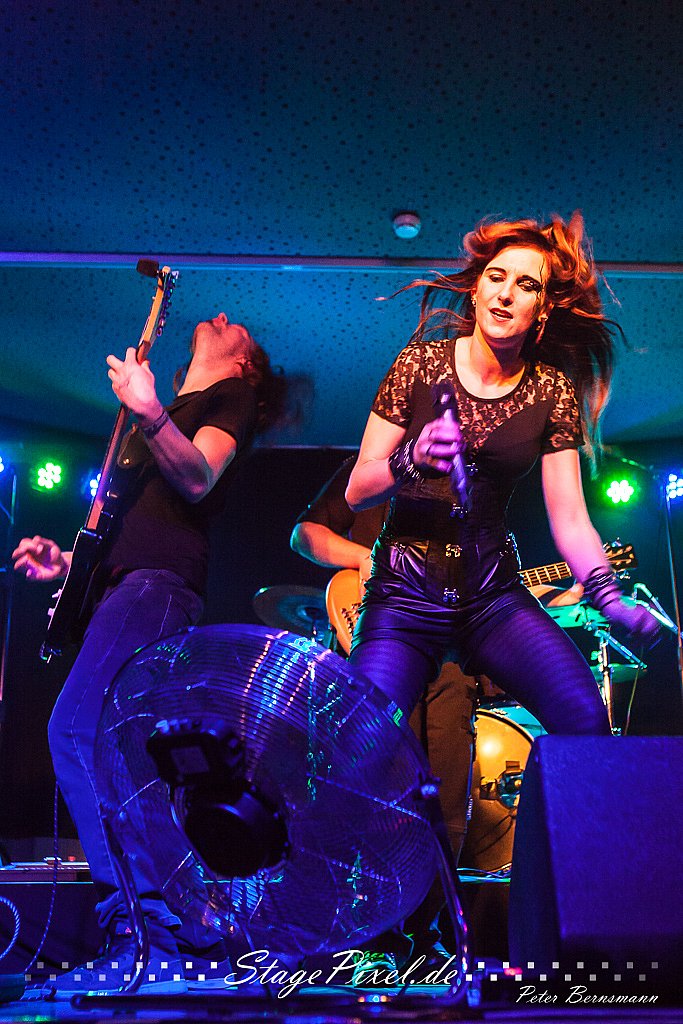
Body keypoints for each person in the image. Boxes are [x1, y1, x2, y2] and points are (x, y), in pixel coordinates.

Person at [13, 312, 286, 999]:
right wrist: (67, 563)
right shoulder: (163, 419)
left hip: (157, 588)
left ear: (245, 364)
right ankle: (184, 938)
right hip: (129, 587)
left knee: (77, 731)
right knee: (127, 761)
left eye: (238, 327)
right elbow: (138, 528)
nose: (222, 317)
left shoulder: (230, 398)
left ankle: (143, 936)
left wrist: (149, 409)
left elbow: (198, 479)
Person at [345, 213, 660, 761]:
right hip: (403, 596)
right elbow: (357, 490)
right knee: (359, 740)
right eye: (496, 276)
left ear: (542, 310)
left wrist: (609, 599)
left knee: (586, 720)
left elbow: (570, 517)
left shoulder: (552, 392)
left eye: (526, 284)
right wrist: (412, 459)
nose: (506, 293)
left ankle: (552, 821)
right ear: (476, 289)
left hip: (491, 597)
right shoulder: (419, 364)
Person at [291, 457, 476, 978]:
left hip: (450, 657)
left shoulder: (475, 473)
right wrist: (363, 557)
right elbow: (303, 534)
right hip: (383, 645)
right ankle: (376, 936)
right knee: (379, 795)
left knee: (448, 801)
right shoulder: (370, 468)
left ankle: (424, 935)